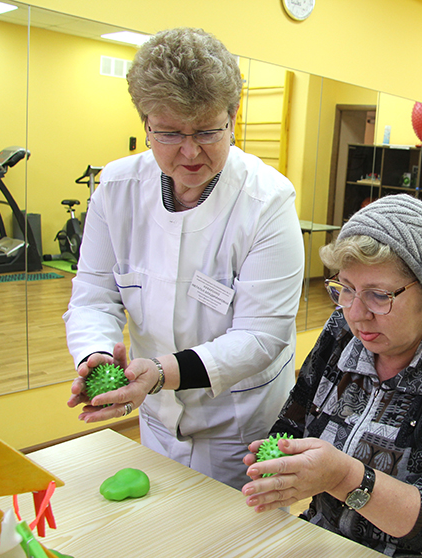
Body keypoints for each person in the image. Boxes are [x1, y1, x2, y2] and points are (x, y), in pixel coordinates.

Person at [65, 28, 305, 490]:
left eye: (208, 132)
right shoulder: (116, 189)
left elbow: (262, 336)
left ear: (233, 118)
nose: (190, 151)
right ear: (145, 124)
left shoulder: (267, 201)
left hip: (239, 427)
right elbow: (94, 296)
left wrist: (158, 373)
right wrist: (97, 357)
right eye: (170, 133)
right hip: (156, 417)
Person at [242, 194, 422, 557]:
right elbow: (293, 423)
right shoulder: (342, 331)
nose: (357, 314)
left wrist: (344, 478)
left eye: (378, 295)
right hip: (329, 543)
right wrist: (279, 462)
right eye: (346, 289)